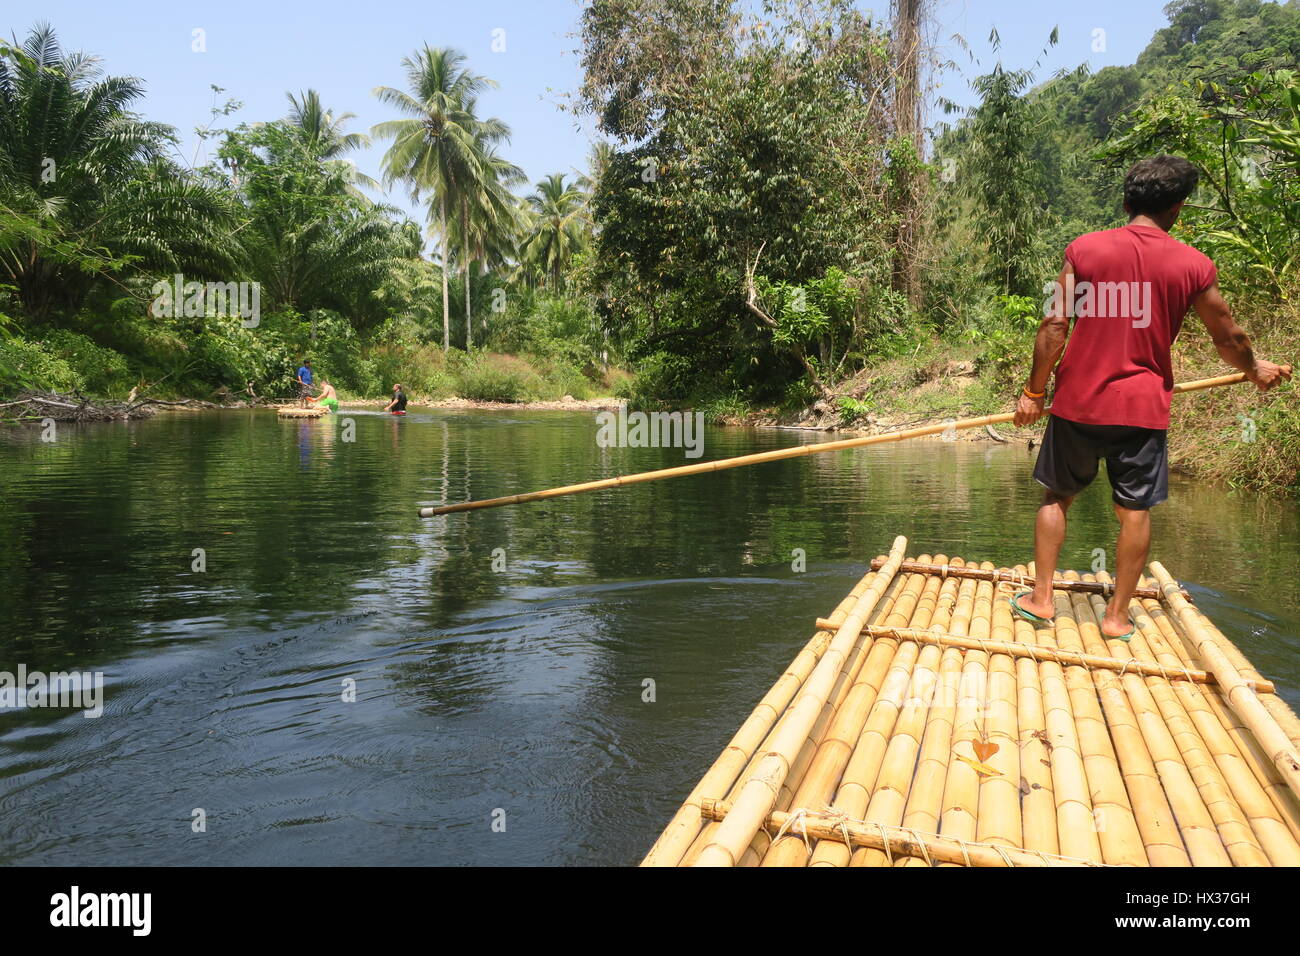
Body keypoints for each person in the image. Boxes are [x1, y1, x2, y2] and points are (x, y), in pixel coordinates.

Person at [1012, 154, 1289, 640]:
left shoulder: (1085, 250)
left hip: (1077, 403)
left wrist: (1035, 392)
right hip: (1142, 408)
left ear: (1126, 200)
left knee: (1058, 495)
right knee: (1133, 510)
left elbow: (1055, 324)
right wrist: (1255, 369)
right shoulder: (1194, 265)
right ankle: (1117, 618)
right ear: (1178, 207)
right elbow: (1229, 339)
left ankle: (1041, 599)